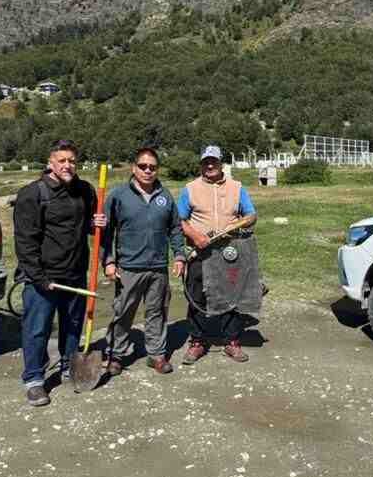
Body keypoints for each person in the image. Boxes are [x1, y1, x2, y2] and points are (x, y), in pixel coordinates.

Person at [13, 139, 106, 407]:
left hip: (76, 274)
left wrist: (95, 223)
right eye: (62, 160)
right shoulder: (32, 194)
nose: (68, 165)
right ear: (50, 163)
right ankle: (34, 380)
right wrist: (40, 279)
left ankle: (68, 366)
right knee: (37, 330)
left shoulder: (84, 191)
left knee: (72, 326)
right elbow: (25, 242)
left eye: (72, 161)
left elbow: (89, 226)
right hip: (43, 278)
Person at [100, 147, 185, 375]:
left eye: (153, 167)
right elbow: (105, 231)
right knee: (123, 312)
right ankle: (116, 355)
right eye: (143, 166)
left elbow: (175, 228)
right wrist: (107, 261)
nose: (148, 170)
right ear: (133, 168)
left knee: (157, 311)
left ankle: (156, 355)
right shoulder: (119, 195)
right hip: (128, 267)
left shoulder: (164, 196)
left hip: (158, 267)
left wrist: (179, 255)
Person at [177, 144, 262, 364]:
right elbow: (179, 220)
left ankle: (231, 341)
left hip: (229, 252)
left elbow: (251, 214)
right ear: (201, 164)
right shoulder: (190, 188)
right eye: (206, 161)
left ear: (221, 163)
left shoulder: (237, 187)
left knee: (231, 297)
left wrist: (236, 226)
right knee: (196, 296)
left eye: (213, 161)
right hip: (200, 252)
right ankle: (197, 342)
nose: (210, 165)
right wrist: (195, 236)